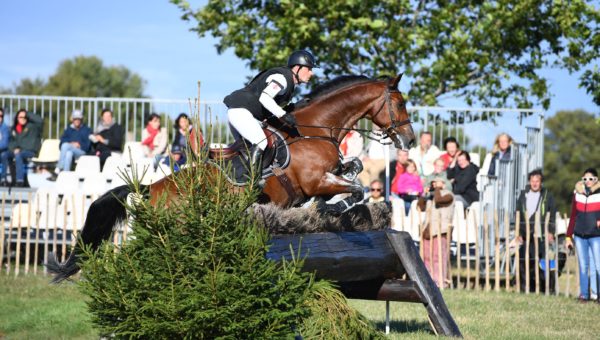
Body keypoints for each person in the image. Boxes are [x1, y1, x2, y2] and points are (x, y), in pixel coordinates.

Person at [224, 50, 317, 177]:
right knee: (261, 142)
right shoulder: (283, 78)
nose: (311, 73)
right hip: (241, 112)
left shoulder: (288, 82)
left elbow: (269, 106)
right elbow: (265, 98)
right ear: (297, 67)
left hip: (241, 113)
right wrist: (283, 115)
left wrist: (293, 107)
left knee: (248, 149)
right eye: (309, 69)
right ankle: (251, 182)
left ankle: (238, 177)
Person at [514, 169, 558, 293]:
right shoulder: (523, 195)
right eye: (532, 181)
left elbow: (552, 214)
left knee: (540, 261)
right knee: (524, 260)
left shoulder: (547, 195)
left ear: (541, 182)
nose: (534, 183)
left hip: (540, 233)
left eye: (537, 181)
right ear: (529, 182)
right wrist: (518, 232)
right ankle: (524, 287)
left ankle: (544, 288)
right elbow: (517, 213)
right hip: (526, 232)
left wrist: (551, 231)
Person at [565, 168, 600, 302]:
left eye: (591, 179)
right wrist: (568, 236)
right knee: (583, 265)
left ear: (596, 179)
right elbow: (573, 216)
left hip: (596, 235)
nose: (588, 181)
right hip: (579, 236)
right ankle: (584, 295)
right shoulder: (577, 194)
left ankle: (598, 295)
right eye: (585, 179)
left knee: (598, 266)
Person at [418, 177, 454, 288]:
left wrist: (438, 188)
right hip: (428, 231)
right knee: (426, 257)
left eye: (437, 182)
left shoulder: (449, 195)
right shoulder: (431, 197)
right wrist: (424, 195)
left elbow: (439, 200)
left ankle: (440, 281)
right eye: (433, 183)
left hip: (441, 231)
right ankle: (428, 280)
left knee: (438, 257)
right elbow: (420, 206)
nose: (435, 185)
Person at [0, 109, 42, 187]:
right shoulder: (14, 129)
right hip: (17, 151)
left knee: (18, 155)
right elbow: (11, 142)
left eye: (24, 117)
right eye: (20, 117)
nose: (23, 119)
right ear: (17, 118)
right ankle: (3, 179)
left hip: (29, 151)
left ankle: (20, 180)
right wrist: (14, 148)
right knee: (4, 154)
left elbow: (40, 121)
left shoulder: (33, 127)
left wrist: (27, 113)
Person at [48, 110, 92, 181]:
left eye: (78, 119)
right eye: (75, 119)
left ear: (81, 119)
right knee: (68, 153)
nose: (77, 121)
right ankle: (66, 176)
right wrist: (71, 143)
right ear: (72, 120)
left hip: (82, 151)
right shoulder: (69, 129)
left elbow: (88, 145)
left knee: (65, 145)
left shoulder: (87, 130)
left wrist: (79, 145)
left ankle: (58, 168)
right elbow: (61, 143)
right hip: (70, 150)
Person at [0, 108, 10, 186]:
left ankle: (3, 178)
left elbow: (5, 143)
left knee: (4, 155)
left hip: (2, 151)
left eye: (1, 116)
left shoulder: (5, 128)